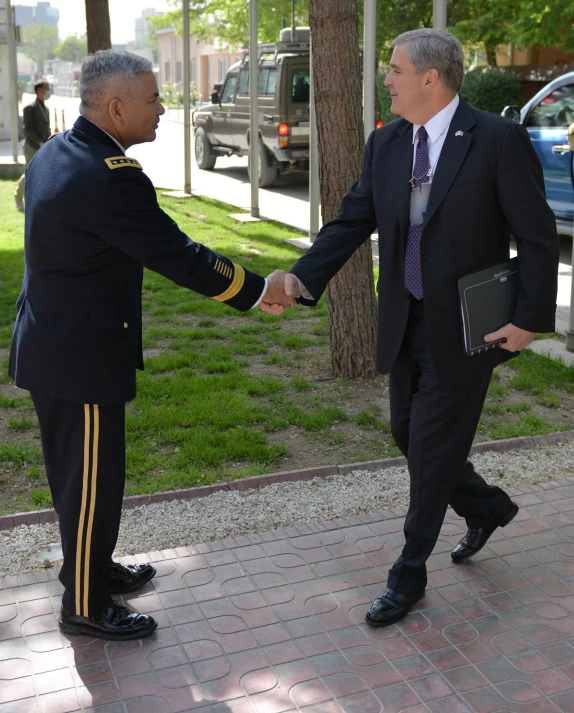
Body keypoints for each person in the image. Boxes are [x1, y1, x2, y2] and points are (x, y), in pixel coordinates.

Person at [267, 29, 559, 627]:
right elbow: (353, 218)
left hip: (469, 324)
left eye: (395, 70)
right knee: (408, 432)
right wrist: (301, 277)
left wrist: (530, 319)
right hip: (404, 317)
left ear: (431, 77)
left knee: (428, 449)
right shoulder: (389, 144)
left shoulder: (498, 140)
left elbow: (536, 235)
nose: (387, 80)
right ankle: (487, 506)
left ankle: (409, 573)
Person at [9, 50, 292, 641]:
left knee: (84, 478)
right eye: (154, 98)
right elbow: (178, 254)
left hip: (55, 342)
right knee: (90, 485)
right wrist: (255, 289)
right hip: (79, 358)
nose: (164, 108)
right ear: (116, 107)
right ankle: (85, 604)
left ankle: (94, 569)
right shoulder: (109, 178)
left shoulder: (59, 152)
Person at [14, 80, 51, 212]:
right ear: (39, 90)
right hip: (32, 147)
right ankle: (18, 197)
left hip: (44, 146)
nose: (48, 92)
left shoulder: (45, 109)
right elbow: (28, 129)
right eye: (46, 89)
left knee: (43, 174)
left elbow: (46, 128)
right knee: (29, 173)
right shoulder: (29, 108)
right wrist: (39, 142)